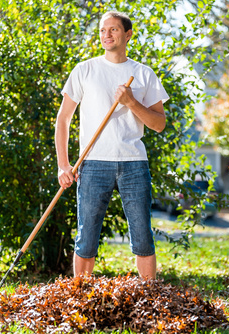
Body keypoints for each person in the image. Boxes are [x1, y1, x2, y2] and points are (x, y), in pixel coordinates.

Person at [55, 11, 169, 279]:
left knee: (142, 234)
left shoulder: (143, 74)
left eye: (113, 29)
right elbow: (63, 119)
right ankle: (79, 297)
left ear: (127, 35)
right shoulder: (85, 70)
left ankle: (149, 296)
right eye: (103, 30)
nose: (106, 34)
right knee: (87, 235)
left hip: (134, 163)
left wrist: (131, 102)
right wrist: (63, 165)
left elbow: (159, 124)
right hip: (93, 163)